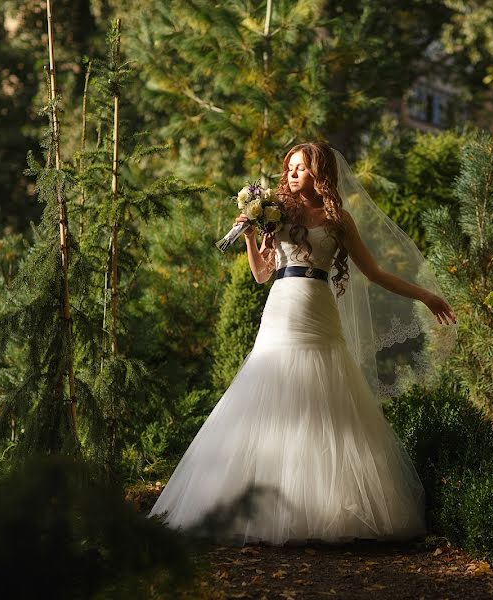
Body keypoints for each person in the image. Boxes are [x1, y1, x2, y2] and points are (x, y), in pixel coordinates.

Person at [148, 141, 457, 546]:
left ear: (319, 174)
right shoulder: (278, 215)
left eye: (301, 168)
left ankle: (325, 510)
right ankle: (255, 507)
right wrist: (248, 232)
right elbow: (261, 275)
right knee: (269, 390)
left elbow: (376, 273)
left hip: (318, 306)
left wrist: (425, 295)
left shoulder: (338, 219)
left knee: (325, 395)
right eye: (290, 167)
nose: (292, 174)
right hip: (282, 308)